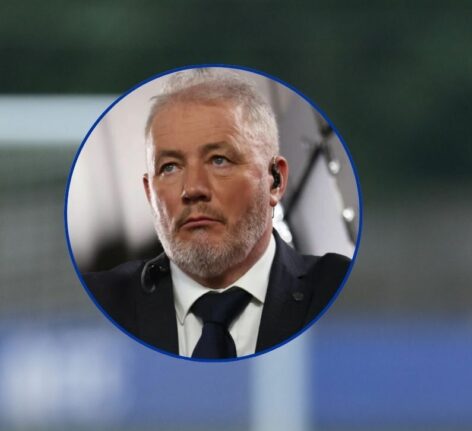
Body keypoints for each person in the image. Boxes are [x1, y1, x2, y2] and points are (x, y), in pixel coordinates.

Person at [83, 69, 350, 359]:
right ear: (150, 194)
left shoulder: (340, 290)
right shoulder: (96, 305)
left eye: (219, 160)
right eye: (170, 167)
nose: (193, 188)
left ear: (275, 181)